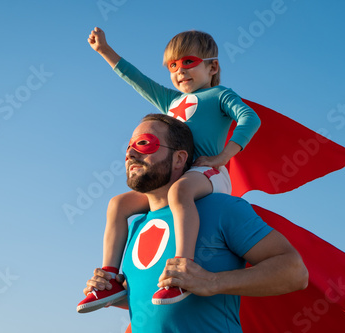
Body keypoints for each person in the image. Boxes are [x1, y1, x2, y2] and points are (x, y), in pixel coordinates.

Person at [78, 27, 261, 309]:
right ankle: (111, 279)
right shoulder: (170, 101)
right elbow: (135, 78)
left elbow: (250, 118)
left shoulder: (219, 95)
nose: (180, 71)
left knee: (179, 193)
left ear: (212, 66)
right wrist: (104, 50)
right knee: (118, 204)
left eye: (188, 62)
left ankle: (181, 271)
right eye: (173, 66)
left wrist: (223, 156)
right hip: (177, 178)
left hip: (208, 174)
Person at [81, 114, 308, 332]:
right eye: (129, 147)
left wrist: (213, 281)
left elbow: (295, 272)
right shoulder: (134, 225)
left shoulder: (221, 208)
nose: (130, 154)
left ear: (179, 158)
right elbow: (151, 301)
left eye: (143, 143)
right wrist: (113, 292)